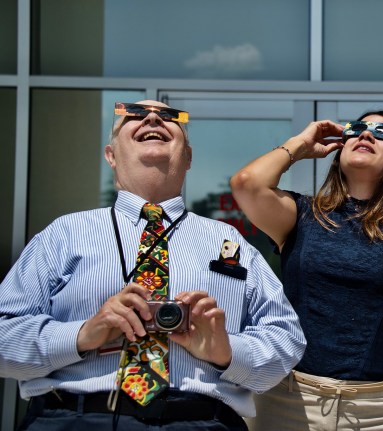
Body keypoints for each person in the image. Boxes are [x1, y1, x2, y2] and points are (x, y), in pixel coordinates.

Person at [0, 100, 306, 430]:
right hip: (76, 418)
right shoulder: (62, 235)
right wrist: (81, 335)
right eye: (132, 115)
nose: (152, 118)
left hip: (200, 421)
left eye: (170, 117)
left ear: (188, 157)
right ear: (111, 155)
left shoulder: (229, 243)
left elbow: (287, 340)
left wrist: (227, 351)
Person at [230, 110, 383, 430]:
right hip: (287, 401)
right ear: (340, 149)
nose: (366, 134)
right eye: (358, 128)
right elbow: (247, 185)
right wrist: (300, 144)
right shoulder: (303, 215)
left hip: (379, 412)